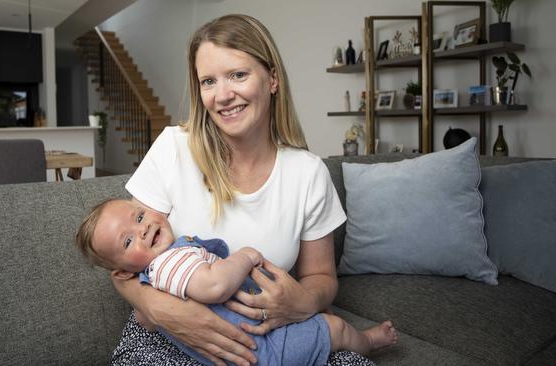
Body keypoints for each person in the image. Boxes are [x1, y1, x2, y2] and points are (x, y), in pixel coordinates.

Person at [109, 14, 381, 366]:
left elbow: (321, 277)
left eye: (238, 75)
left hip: (270, 339)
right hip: (171, 337)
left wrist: (304, 302)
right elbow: (124, 263)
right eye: (209, 81)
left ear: (272, 79)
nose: (223, 96)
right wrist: (166, 312)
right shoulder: (173, 148)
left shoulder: (308, 173)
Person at [76, 198, 398, 365]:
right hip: (264, 350)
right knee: (336, 328)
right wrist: (244, 257)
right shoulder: (169, 262)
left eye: (140, 217)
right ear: (121, 272)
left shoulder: (158, 267)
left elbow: (146, 314)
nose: (143, 229)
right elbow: (215, 286)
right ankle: (370, 341)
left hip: (253, 342)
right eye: (128, 242)